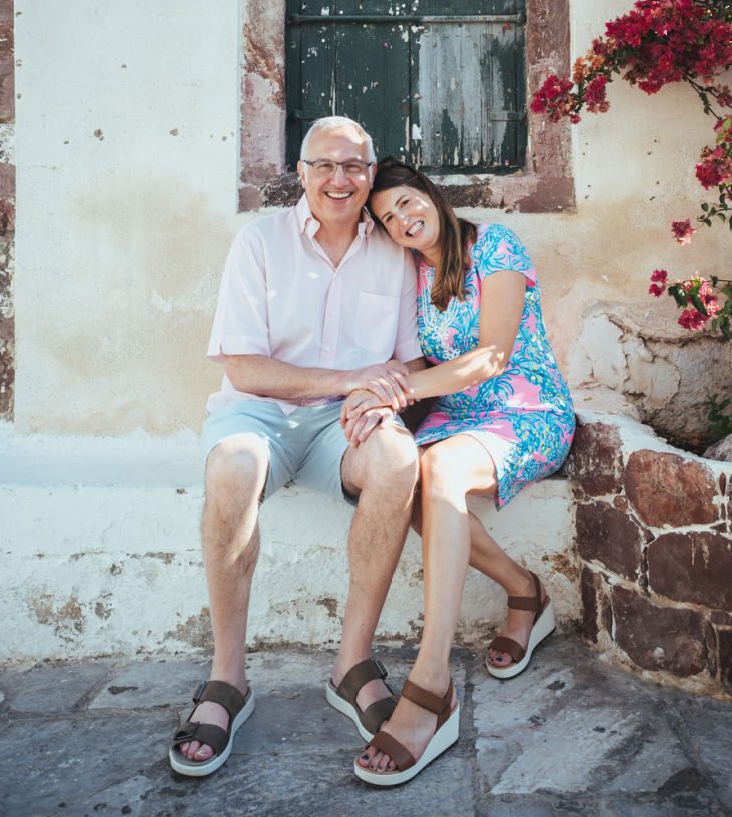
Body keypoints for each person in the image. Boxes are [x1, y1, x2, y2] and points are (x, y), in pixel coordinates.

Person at [169, 119, 423, 777]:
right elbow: (243, 367)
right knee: (232, 466)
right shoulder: (258, 243)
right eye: (326, 165)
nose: (341, 179)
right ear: (302, 172)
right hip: (258, 412)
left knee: (399, 461)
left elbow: (407, 363)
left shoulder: (394, 252)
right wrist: (345, 379)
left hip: (345, 424)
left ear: (372, 174)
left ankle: (353, 664)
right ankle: (228, 679)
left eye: (356, 167)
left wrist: (380, 397)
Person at [342, 158, 576, 787]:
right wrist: (369, 402)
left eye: (407, 202)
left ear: (430, 192)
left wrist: (396, 393)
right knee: (406, 478)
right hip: (450, 416)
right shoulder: (409, 273)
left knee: (438, 466)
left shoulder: (493, 244)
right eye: (389, 218)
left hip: (524, 407)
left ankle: (431, 679)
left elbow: (494, 355)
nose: (403, 219)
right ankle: (525, 590)